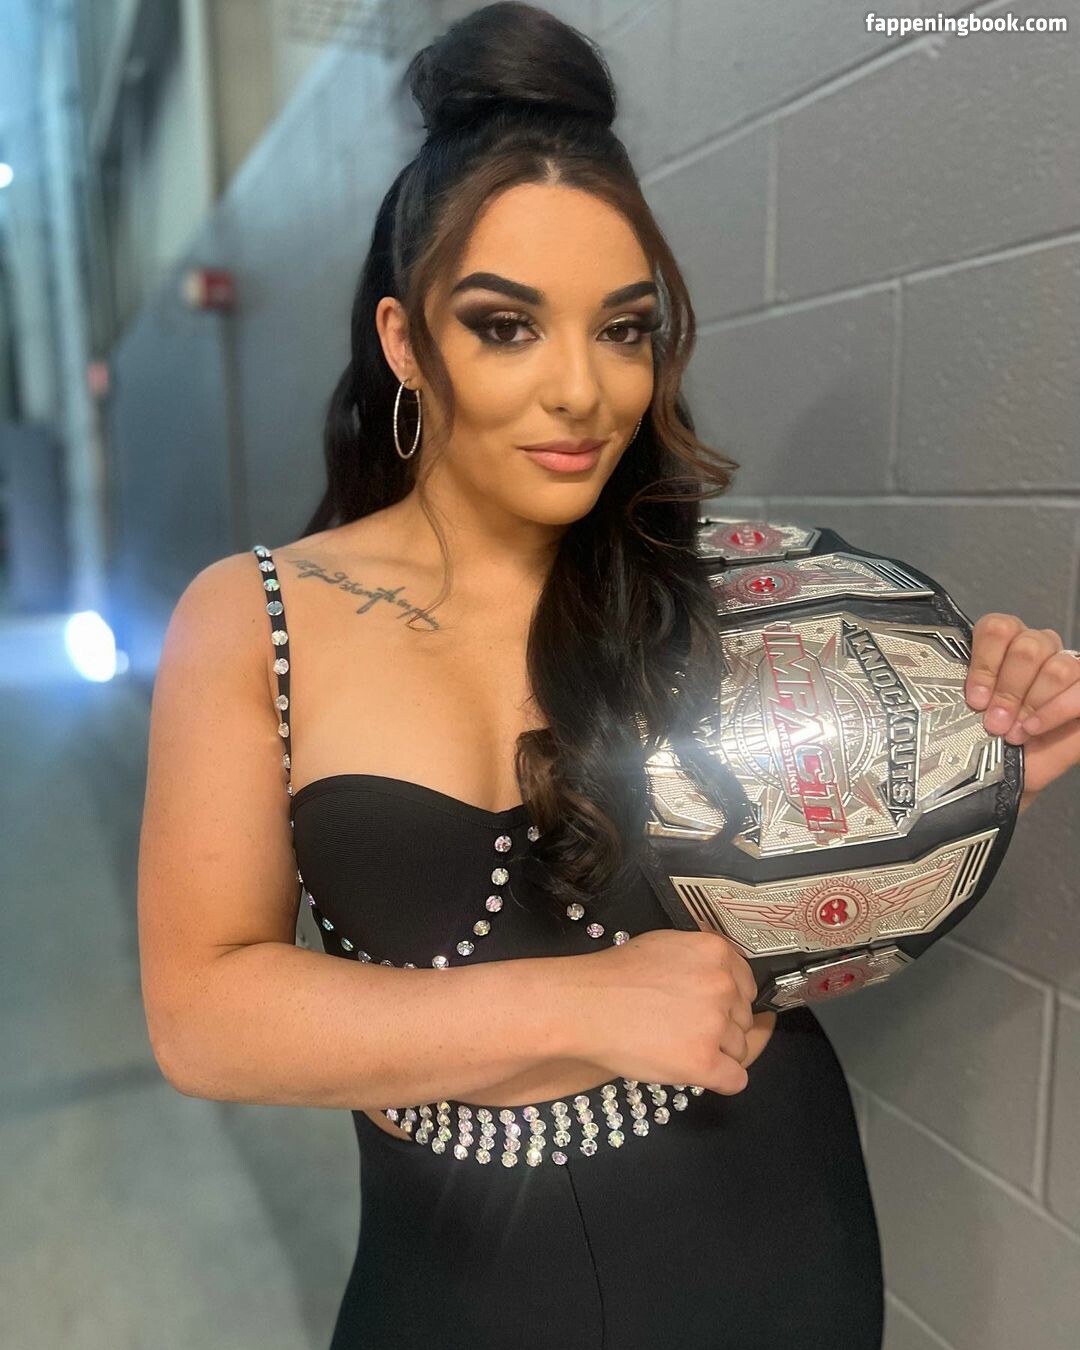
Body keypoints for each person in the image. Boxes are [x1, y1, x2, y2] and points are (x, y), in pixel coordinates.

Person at [137, 5, 1080, 1346]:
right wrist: (576, 1002)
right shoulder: (254, 618)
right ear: (405, 341)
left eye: (624, 329)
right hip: (454, 1285)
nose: (581, 390)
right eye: (507, 326)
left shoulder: (720, 584)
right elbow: (202, 1015)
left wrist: (973, 761)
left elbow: (830, 864)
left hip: (769, 1231)